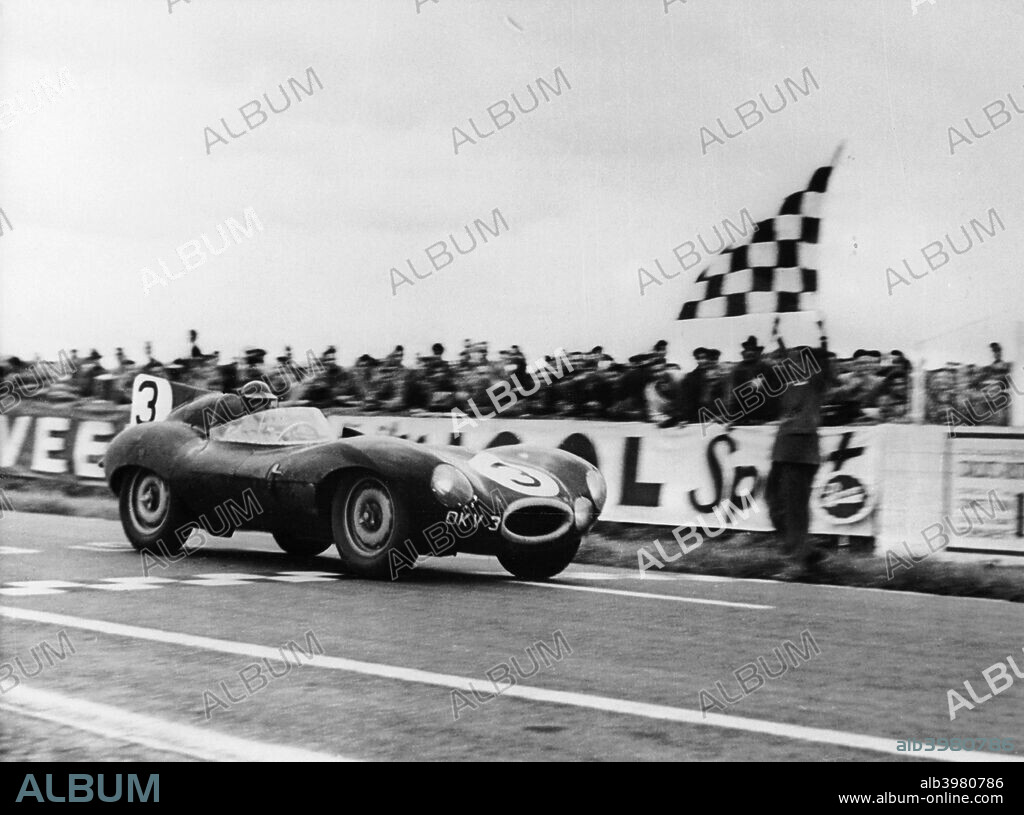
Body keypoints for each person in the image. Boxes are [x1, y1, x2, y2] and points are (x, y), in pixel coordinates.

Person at [765, 320, 834, 577]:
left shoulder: (816, 382)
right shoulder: (786, 380)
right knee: (774, 502)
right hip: (783, 448)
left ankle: (798, 561)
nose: (790, 360)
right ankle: (805, 551)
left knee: (794, 507)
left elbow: (823, 363)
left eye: (798, 356)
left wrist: (821, 333)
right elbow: (781, 355)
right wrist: (778, 332)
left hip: (802, 447)